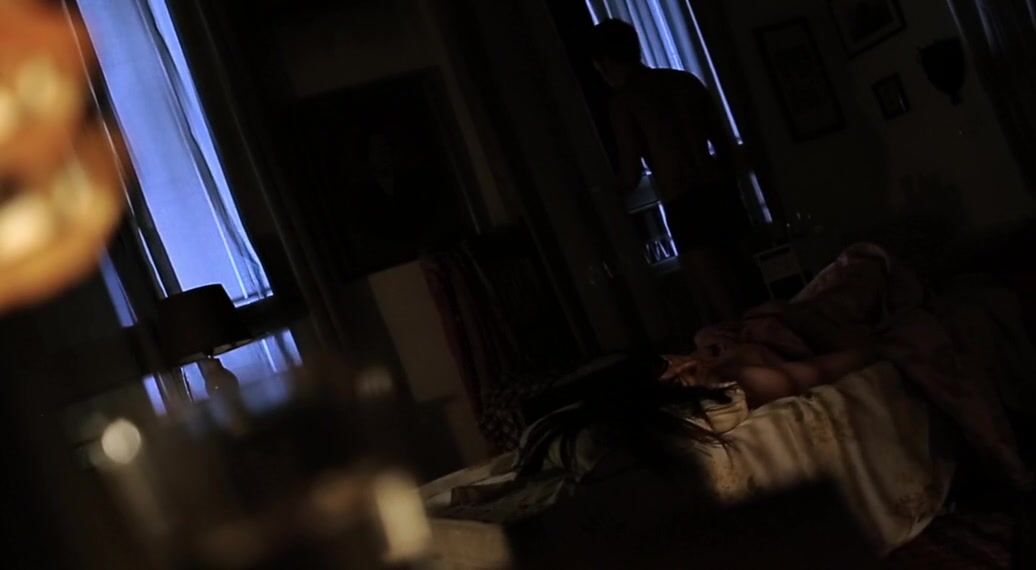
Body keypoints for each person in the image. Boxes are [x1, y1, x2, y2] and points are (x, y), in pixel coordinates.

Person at [589, 19, 758, 323]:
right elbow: (725, 147)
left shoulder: (626, 102)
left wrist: (601, 196)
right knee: (752, 287)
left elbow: (631, 174)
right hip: (721, 192)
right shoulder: (685, 82)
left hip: (685, 200)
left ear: (605, 63)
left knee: (724, 305)